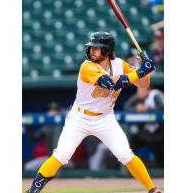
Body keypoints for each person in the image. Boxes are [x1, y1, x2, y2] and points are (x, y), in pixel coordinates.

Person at [26, 31, 162, 193]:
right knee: (62, 154)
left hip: (105, 118)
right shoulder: (87, 66)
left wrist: (145, 69)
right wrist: (140, 71)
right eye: (91, 48)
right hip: (80, 117)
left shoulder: (120, 64)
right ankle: (33, 190)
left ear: (108, 50)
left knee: (125, 154)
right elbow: (111, 83)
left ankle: (152, 189)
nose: (92, 51)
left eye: (97, 48)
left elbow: (144, 85)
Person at [123, 87, 164, 167]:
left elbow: (162, 109)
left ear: (148, 89)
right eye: (138, 90)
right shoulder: (140, 96)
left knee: (161, 157)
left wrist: (147, 109)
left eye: (142, 90)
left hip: (159, 134)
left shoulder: (155, 94)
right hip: (145, 133)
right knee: (131, 148)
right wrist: (136, 108)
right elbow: (126, 107)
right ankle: (130, 170)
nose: (139, 92)